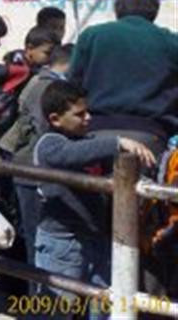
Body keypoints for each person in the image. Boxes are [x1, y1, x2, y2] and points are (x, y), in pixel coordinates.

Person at [33, 80, 155, 316]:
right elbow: (68, 155)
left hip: (96, 239)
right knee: (56, 308)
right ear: (55, 119)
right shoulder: (49, 144)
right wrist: (118, 142)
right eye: (79, 114)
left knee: (102, 307)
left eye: (88, 111)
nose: (88, 118)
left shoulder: (88, 141)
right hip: (63, 242)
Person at [70, 0, 178, 159]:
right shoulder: (171, 42)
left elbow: (72, 86)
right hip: (150, 136)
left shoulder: (91, 36)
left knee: (91, 185)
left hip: (94, 133)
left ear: (117, 9)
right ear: (155, 12)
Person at [0, 44, 73, 267]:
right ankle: (38, 295)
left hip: (29, 166)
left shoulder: (41, 81)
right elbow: (44, 129)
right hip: (32, 169)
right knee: (36, 238)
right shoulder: (47, 87)